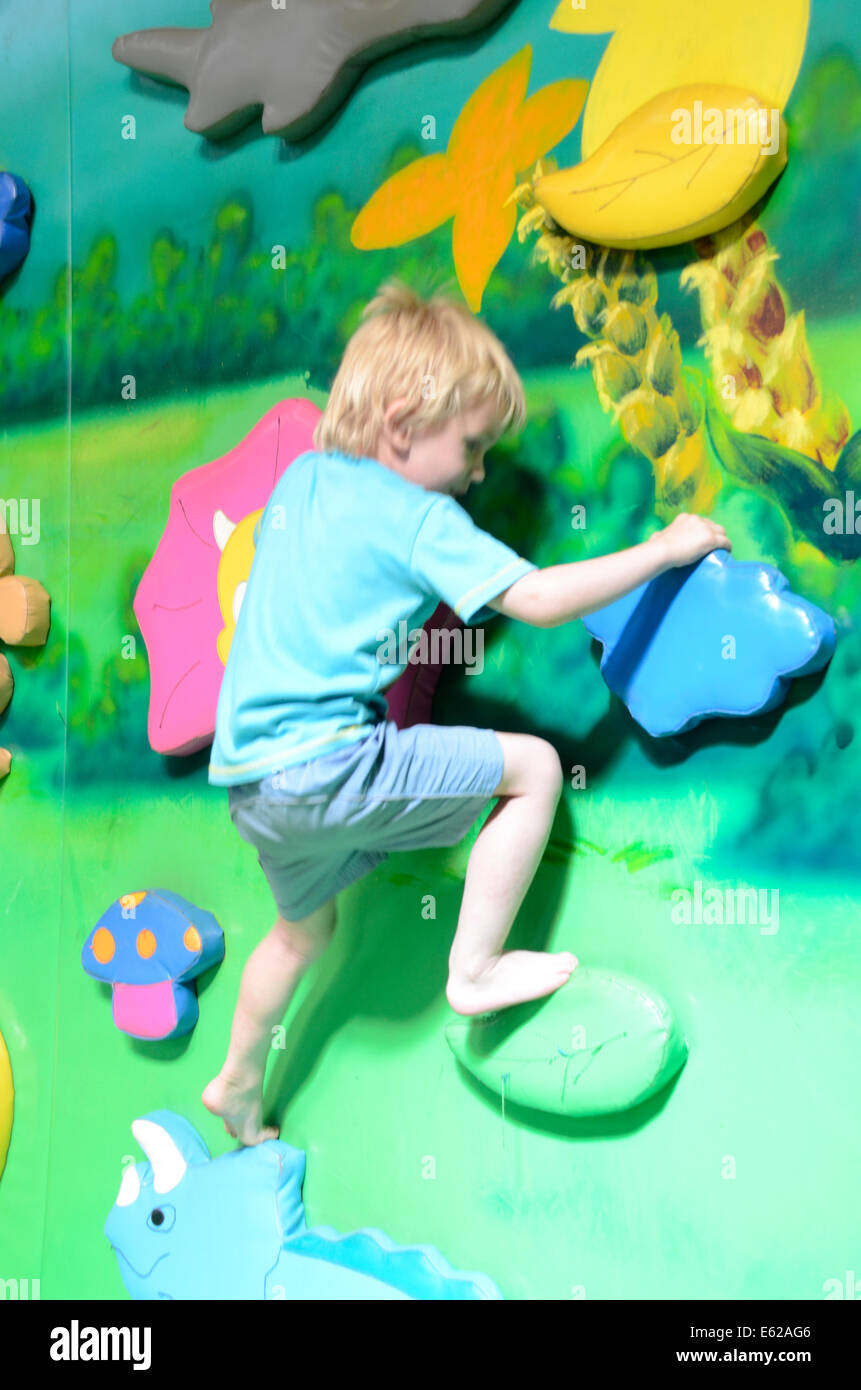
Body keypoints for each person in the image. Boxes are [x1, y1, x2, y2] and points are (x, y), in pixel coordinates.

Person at [203, 279, 730, 1144]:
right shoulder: (419, 519)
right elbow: (542, 599)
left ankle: (237, 1083)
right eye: (475, 446)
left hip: (253, 788)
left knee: (301, 934)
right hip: (330, 762)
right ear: (404, 420)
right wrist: (663, 548)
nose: (481, 471)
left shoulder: (303, 480)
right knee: (534, 769)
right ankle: (475, 967)